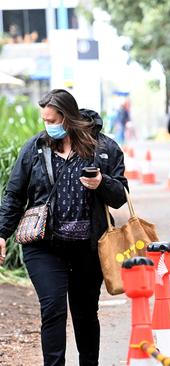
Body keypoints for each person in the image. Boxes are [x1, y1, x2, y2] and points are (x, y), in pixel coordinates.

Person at [0, 89, 128, 366]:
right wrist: (1, 233)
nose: (48, 126)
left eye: (52, 120)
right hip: (44, 246)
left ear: (68, 118)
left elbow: (120, 197)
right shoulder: (35, 148)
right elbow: (14, 194)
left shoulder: (103, 148)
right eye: (44, 120)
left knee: (84, 314)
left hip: (88, 247)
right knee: (53, 309)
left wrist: (101, 183)